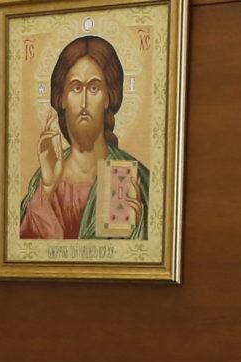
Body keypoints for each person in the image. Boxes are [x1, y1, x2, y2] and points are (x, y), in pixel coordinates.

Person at [16, 34, 151, 242]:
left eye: (94, 88)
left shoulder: (129, 176)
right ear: (62, 98)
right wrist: (48, 191)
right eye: (76, 88)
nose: (85, 101)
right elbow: (24, 250)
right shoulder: (44, 179)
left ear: (108, 98)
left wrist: (135, 229)